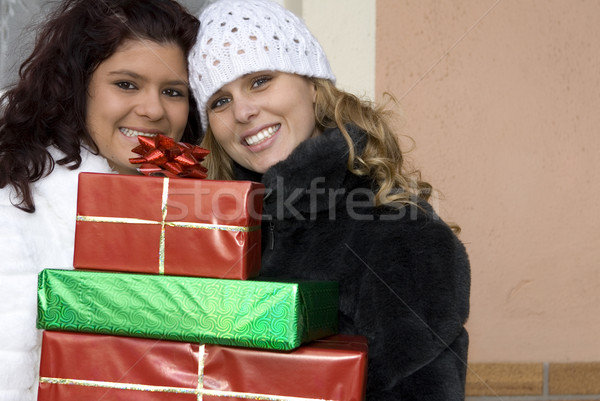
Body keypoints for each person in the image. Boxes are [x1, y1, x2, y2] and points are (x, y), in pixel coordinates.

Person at [188, 0, 470, 399]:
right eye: (220, 100)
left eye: (260, 80)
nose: (244, 111)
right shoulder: (213, 228)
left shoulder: (396, 230)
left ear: (315, 89)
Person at [0, 0, 200, 399]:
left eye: (173, 91)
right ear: (78, 86)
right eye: (126, 84)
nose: (152, 109)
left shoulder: (198, 196)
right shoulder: (15, 198)